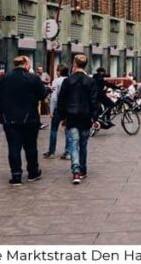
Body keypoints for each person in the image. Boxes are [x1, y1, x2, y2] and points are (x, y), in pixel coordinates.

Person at [0, 55, 47, 184]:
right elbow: (42, 94)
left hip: (9, 119)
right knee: (30, 146)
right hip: (29, 119)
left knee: (13, 147)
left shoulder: (4, 78)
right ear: (25, 64)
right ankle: (33, 172)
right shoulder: (33, 78)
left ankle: (16, 175)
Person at [56, 53, 95, 184]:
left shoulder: (68, 81)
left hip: (71, 117)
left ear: (75, 64)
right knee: (83, 145)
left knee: (73, 144)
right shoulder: (90, 81)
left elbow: (61, 100)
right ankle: (83, 170)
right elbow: (94, 101)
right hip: (85, 117)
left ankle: (76, 171)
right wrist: (95, 118)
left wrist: (62, 116)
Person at [44, 65, 70, 159]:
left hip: (58, 108)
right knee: (68, 129)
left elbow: (54, 98)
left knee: (54, 129)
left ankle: (51, 151)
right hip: (68, 108)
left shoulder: (56, 81)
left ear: (59, 72)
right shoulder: (70, 80)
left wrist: (51, 110)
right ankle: (68, 152)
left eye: (57, 71)